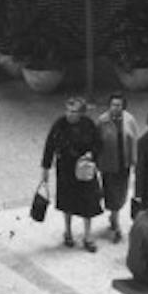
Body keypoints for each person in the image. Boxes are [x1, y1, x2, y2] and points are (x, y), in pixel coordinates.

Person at [41, 97, 102, 251]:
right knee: (67, 202)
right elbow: (50, 146)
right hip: (66, 169)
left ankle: (88, 236)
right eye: (68, 110)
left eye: (74, 111)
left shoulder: (88, 125)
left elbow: (98, 143)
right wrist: (45, 169)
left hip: (84, 168)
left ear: (81, 113)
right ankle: (68, 232)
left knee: (88, 202)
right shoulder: (60, 124)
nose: (70, 114)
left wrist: (91, 154)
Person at [95, 93, 139, 244]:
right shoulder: (102, 121)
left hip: (124, 163)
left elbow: (134, 140)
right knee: (111, 193)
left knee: (121, 192)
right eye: (113, 105)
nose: (115, 108)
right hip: (108, 164)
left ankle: (114, 216)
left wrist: (134, 160)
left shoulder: (130, 120)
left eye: (118, 105)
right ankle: (116, 222)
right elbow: (97, 143)